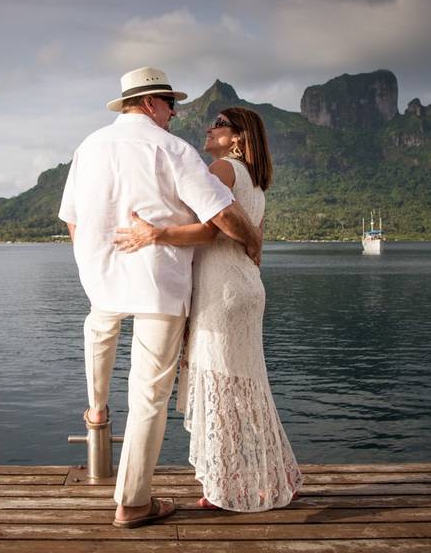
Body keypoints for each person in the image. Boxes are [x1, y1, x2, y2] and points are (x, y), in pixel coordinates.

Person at [58, 67, 263, 528]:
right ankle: (132, 502)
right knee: (149, 397)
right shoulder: (172, 149)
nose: (174, 114)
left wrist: (91, 258)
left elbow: (71, 219)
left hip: (102, 278)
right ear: (152, 104)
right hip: (159, 284)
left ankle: (96, 407)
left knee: (101, 326)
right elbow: (222, 213)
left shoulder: (88, 147)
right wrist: (253, 241)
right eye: (171, 105)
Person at [114, 106, 303, 512]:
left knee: (221, 392)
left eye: (218, 125)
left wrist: (154, 233)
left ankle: (224, 490)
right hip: (247, 290)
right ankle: (278, 475)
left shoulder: (221, 169)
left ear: (238, 137)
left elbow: (208, 228)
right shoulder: (257, 182)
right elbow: (255, 244)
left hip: (221, 293)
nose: (208, 128)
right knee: (249, 389)